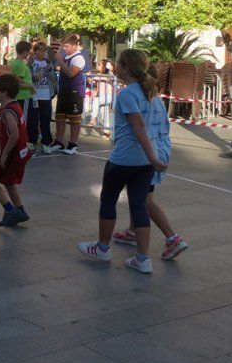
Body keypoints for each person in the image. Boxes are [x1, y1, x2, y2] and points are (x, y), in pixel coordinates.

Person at [77, 49, 168, 274]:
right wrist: (154, 156)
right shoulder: (151, 94)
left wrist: (152, 157)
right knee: (139, 206)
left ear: (127, 68)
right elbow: (155, 126)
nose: (114, 67)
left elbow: (138, 127)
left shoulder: (128, 94)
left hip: (124, 159)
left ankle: (103, 247)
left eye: (118, 63)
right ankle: (143, 258)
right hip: (144, 164)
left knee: (108, 201)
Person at [113, 64, 189, 260]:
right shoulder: (153, 99)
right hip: (158, 150)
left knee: (145, 201)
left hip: (149, 154)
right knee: (137, 193)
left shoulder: (138, 97)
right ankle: (132, 231)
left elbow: (139, 127)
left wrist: (150, 156)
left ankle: (173, 238)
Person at [0, 74, 32, 227]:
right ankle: (20, 210)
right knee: (9, 182)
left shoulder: (7, 111)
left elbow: (14, 134)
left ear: (4, 92)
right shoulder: (13, 106)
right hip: (20, 152)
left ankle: (10, 210)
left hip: (12, 153)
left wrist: (4, 154)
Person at [52, 34, 86, 155]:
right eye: (63, 46)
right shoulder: (66, 56)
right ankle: (59, 142)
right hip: (64, 91)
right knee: (60, 117)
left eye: (67, 46)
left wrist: (60, 61)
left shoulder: (78, 58)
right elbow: (63, 68)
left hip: (74, 93)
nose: (64, 48)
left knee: (74, 119)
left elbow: (71, 73)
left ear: (75, 45)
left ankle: (73, 144)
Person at [29, 41, 57, 153]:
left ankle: (46, 143)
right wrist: (34, 77)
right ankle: (32, 142)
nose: (43, 52)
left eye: (44, 49)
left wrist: (50, 71)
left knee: (45, 120)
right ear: (35, 51)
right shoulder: (31, 63)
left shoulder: (48, 62)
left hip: (46, 95)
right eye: (40, 49)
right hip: (35, 95)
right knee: (33, 121)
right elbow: (28, 77)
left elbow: (53, 78)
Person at [8, 41, 36, 132]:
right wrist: (31, 86)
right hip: (24, 97)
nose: (29, 54)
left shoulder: (13, 62)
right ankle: (26, 141)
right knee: (25, 121)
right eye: (28, 52)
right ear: (25, 52)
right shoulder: (19, 64)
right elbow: (17, 83)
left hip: (20, 96)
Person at [89, 59, 114, 135]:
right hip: (102, 96)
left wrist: (110, 69)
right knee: (104, 113)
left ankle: (93, 119)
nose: (98, 66)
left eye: (99, 64)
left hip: (108, 96)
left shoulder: (108, 74)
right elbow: (91, 81)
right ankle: (107, 132)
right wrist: (89, 76)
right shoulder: (98, 75)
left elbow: (113, 77)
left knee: (96, 101)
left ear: (104, 66)